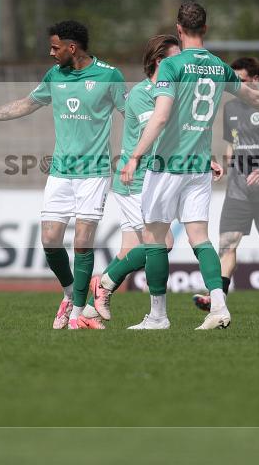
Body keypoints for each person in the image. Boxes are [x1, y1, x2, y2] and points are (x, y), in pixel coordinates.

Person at [120, 1, 259, 330]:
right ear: (206, 29)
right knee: (199, 237)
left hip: (168, 164)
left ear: (179, 29)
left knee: (155, 237)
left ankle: (158, 316)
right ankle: (218, 305)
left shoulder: (173, 66)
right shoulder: (218, 66)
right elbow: (253, 97)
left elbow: (159, 117)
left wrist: (135, 155)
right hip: (200, 166)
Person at [0, 21, 126, 330]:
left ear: (72, 48)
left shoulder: (109, 76)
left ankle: (78, 316)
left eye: (55, 47)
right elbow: (26, 104)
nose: (51, 53)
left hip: (94, 173)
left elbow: (131, 114)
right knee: (49, 240)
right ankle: (72, 294)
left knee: (84, 242)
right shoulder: (54, 76)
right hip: (60, 171)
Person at [84, 35, 179, 322]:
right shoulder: (142, 94)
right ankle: (104, 284)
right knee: (163, 244)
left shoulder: (169, 93)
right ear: (159, 61)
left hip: (143, 180)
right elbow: (159, 134)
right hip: (136, 181)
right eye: (176, 59)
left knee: (128, 251)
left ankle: (89, 311)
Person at [191, 57, 259, 314]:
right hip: (238, 189)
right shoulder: (231, 108)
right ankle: (218, 298)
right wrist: (224, 166)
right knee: (227, 242)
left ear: (256, 80)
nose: (237, 85)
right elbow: (232, 143)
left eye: (242, 80)